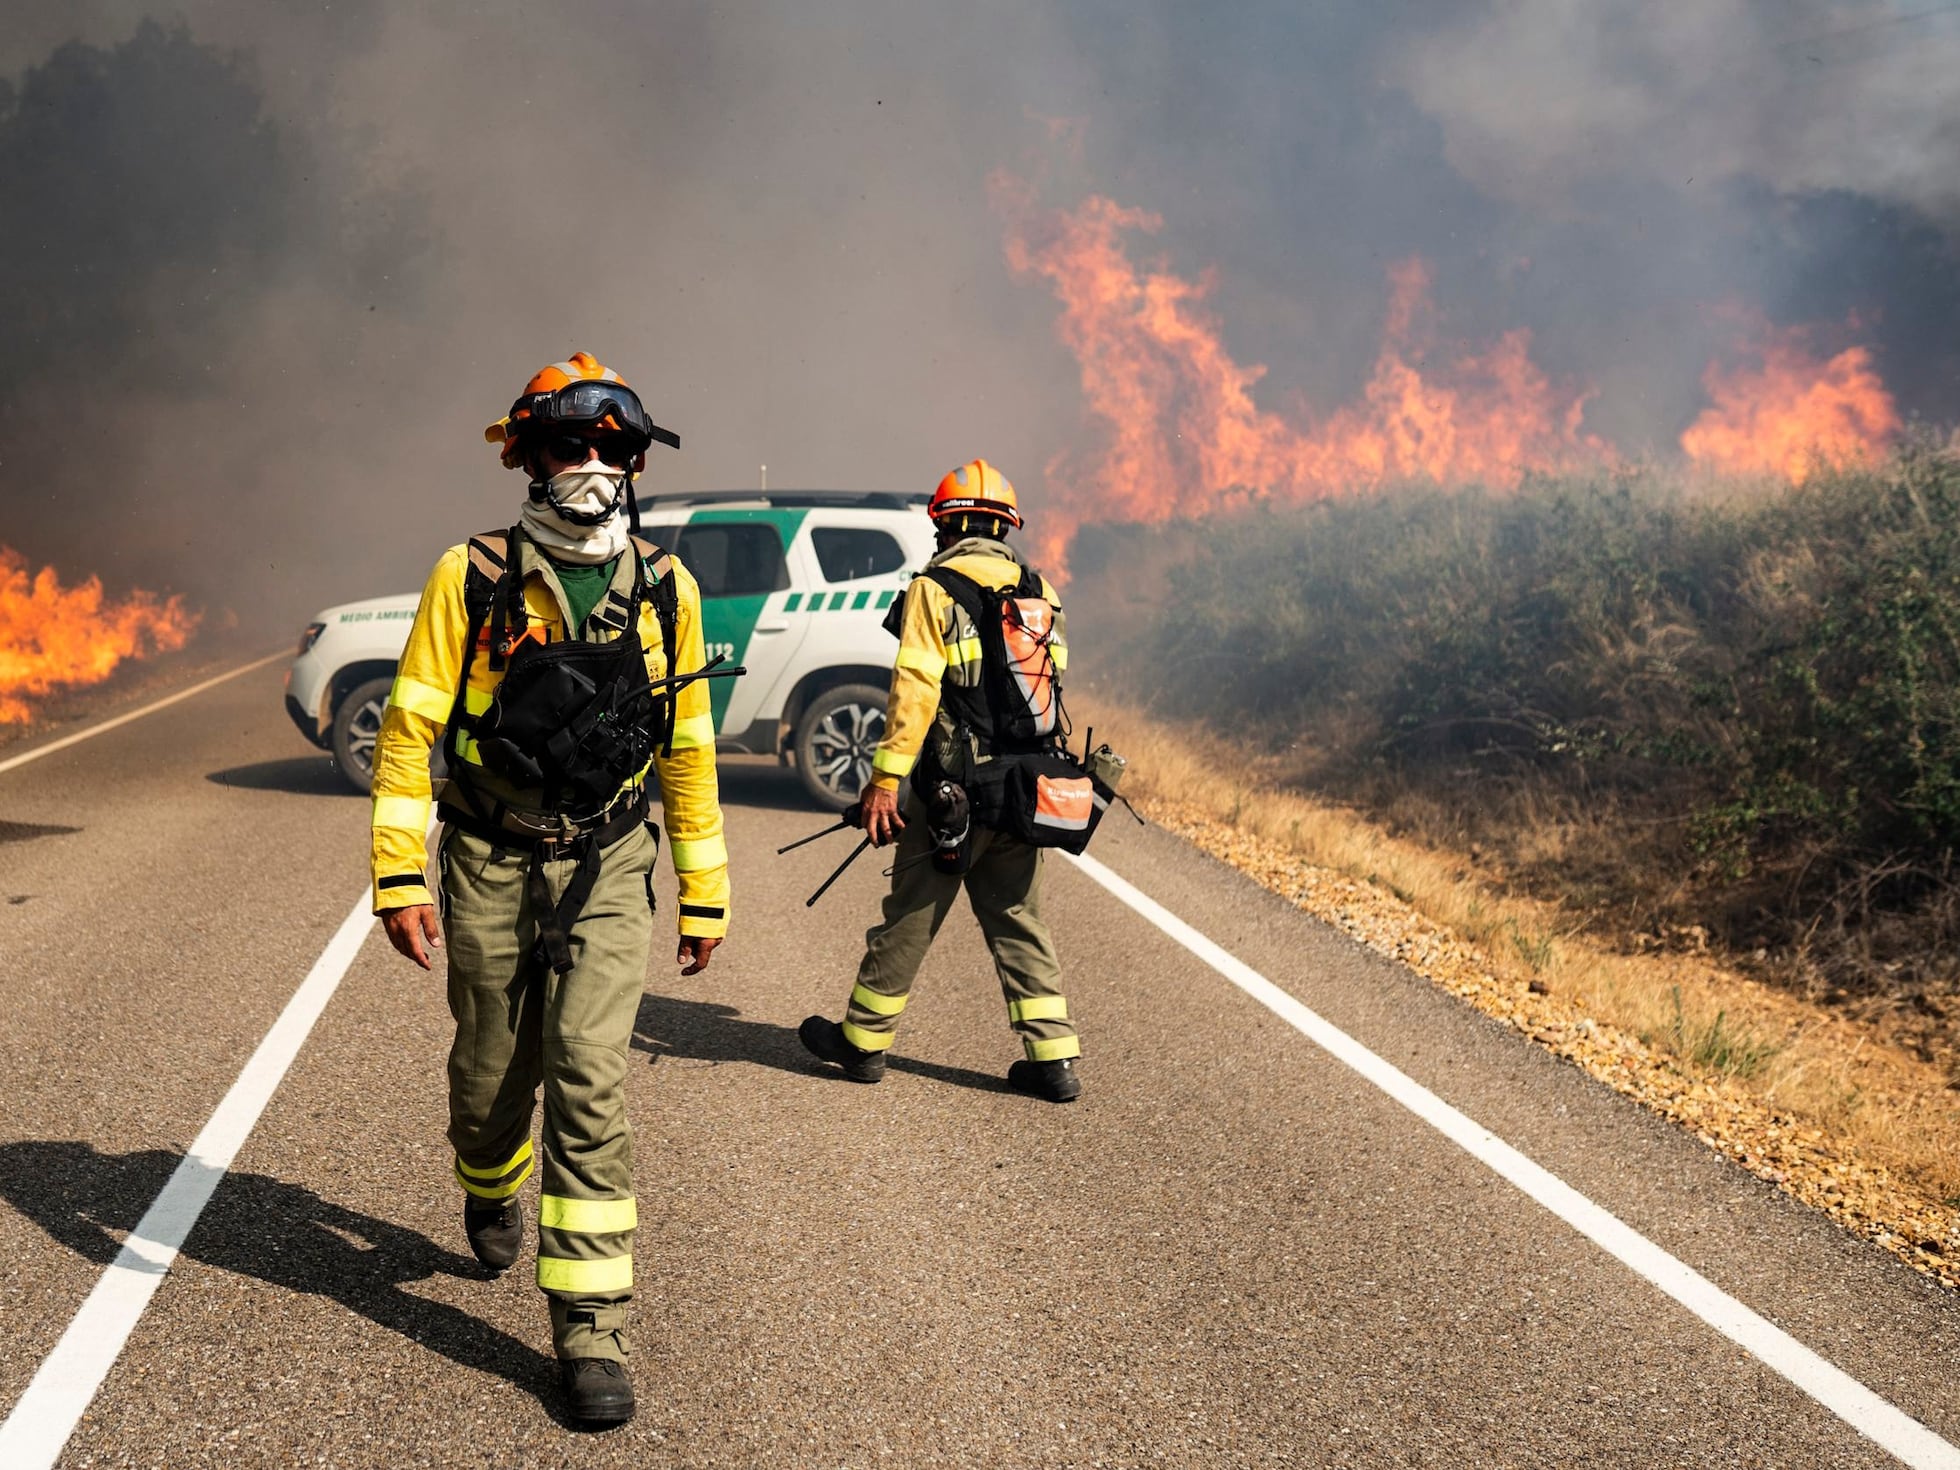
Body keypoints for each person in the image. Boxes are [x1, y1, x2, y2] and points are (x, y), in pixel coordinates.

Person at [368, 353, 732, 1426]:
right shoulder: (468, 575)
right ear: (525, 455)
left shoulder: (669, 588)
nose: (591, 465)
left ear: (632, 460)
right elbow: (410, 730)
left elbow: (689, 750)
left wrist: (703, 888)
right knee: (490, 1074)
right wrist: (398, 872)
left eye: (612, 447)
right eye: (568, 444)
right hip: (486, 854)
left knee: (587, 1074)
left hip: (611, 860)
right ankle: (488, 1180)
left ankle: (591, 1330)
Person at [798, 458, 1082, 1103]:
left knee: (912, 914)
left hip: (954, 792)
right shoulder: (1041, 590)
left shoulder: (936, 587)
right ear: (1005, 526)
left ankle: (863, 1042)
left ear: (945, 525)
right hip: (1025, 790)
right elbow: (1048, 689)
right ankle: (1054, 1060)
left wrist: (885, 780)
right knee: (1018, 917)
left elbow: (915, 692)